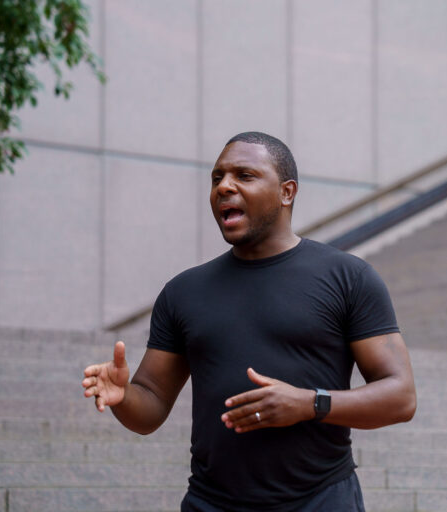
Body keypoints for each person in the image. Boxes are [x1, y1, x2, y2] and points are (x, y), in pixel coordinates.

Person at [81, 132, 417, 511]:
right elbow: (151, 407)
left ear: (287, 192)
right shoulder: (183, 292)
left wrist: (311, 404)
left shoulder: (349, 278)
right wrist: (124, 397)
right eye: (217, 177)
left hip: (320, 500)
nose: (224, 186)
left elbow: (400, 397)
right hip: (212, 503)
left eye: (244, 175)